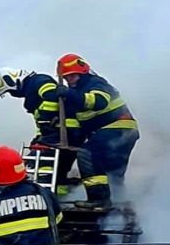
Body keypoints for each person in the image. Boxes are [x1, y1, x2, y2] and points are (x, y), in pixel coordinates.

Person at [53, 54, 139, 209]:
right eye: (66, 77)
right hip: (122, 131)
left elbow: (99, 101)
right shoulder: (77, 92)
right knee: (112, 171)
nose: (70, 80)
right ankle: (118, 204)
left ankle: (98, 199)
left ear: (83, 72)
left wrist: (68, 94)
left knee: (87, 154)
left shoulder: (96, 83)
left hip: (117, 127)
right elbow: (77, 120)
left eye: (73, 76)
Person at [0, 67, 81, 196]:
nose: (13, 94)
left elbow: (53, 97)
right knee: (59, 170)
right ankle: (61, 197)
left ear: (12, 80)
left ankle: (44, 195)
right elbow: (42, 126)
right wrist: (39, 137)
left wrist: (45, 119)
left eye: (10, 91)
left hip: (65, 129)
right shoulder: (32, 91)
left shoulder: (40, 81)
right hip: (62, 132)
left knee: (42, 159)